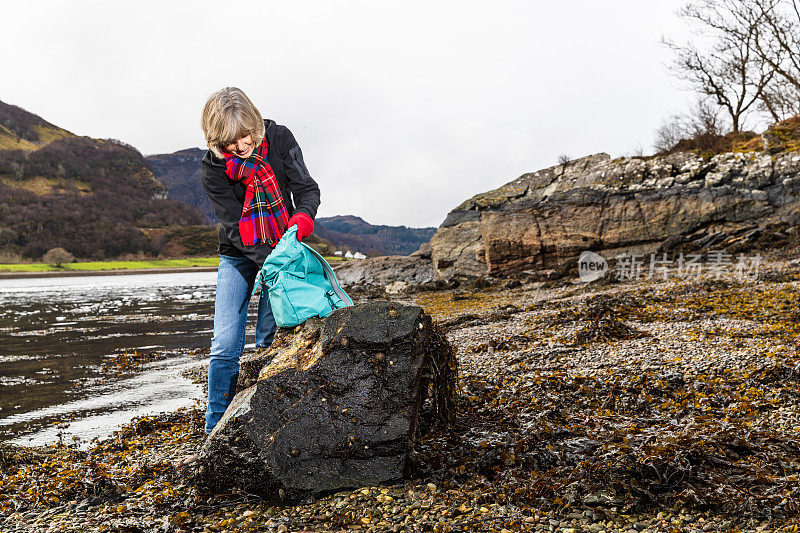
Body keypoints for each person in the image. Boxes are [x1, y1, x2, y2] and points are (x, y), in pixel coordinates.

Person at [198, 87, 321, 437]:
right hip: (239, 253)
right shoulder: (212, 169)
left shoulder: (280, 139)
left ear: (254, 123)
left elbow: (308, 190)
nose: (240, 146)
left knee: (272, 338)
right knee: (224, 343)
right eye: (229, 142)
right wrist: (271, 262)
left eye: (245, 135)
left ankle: (276, 423)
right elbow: (234, 225)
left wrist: (301, 222)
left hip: (284, 243)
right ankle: (214, 429)